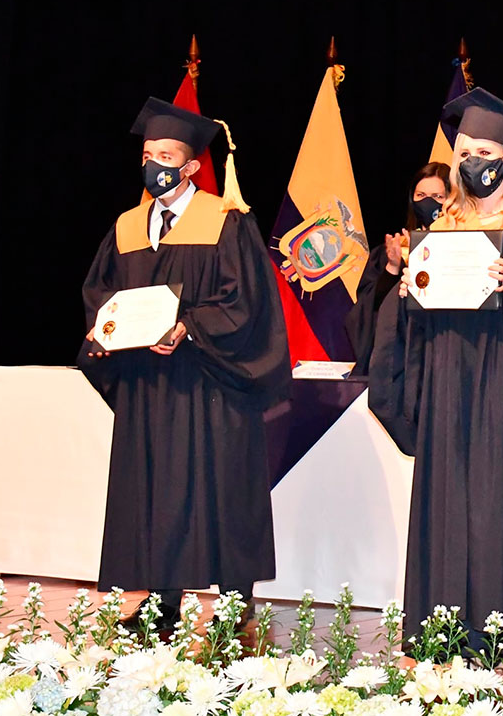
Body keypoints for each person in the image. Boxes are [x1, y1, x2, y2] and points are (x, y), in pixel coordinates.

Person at [367, 88, 503, 658]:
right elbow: (408, 320)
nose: (474, 166)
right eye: (465, 156)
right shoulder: (440, 229)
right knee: (449, 507)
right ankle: (441, 642)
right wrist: (406, 287)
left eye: (486, 154)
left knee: (499, 508)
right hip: (447, 388)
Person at [79, 98, 290, 629]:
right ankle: (162, 598)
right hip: (147, 382)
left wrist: (188, 327)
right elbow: (100, 291)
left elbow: (245, 301)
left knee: (220, 486)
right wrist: (106, 328)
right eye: (148, 153)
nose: (155, 163)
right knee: (153, 487)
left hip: (208, 379)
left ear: (193, 165)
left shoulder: (225, 221)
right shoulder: (128, 225)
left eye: (167, 154)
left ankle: (235, 599)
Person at [346, 162, 451, 375]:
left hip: (446, 355)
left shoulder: (464, 249)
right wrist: (393, 267)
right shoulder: (392, 250)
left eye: (438, 196)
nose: (428, 202)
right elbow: (369, 309)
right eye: (421, 195)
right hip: (402, 358)